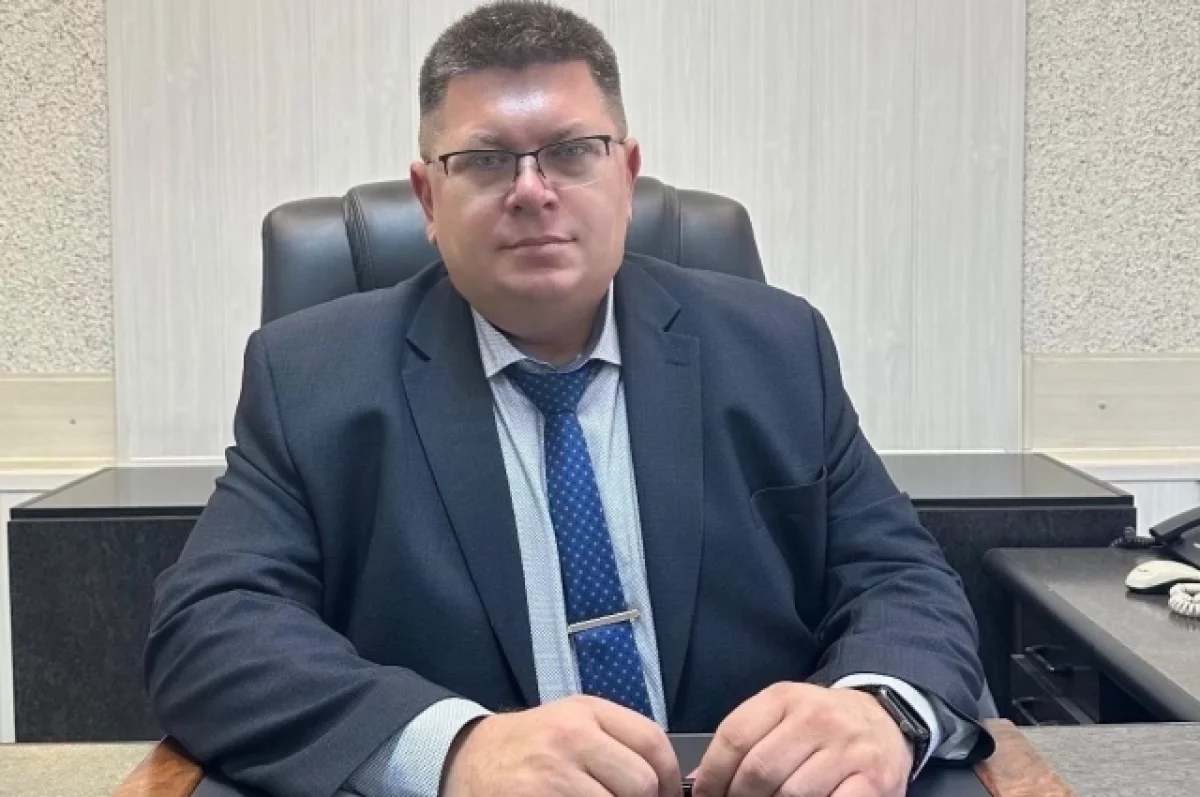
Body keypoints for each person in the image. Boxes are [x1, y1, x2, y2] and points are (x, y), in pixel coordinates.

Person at [144, 3, 994, 796]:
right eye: (484, 160)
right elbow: (211, 629)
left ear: (626, 173)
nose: (532, 190)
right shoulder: (311, 378)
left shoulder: (776, 348)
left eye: (571, 150)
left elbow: (901, 577)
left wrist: (878, 707)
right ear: (428, 198)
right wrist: (454, 749)